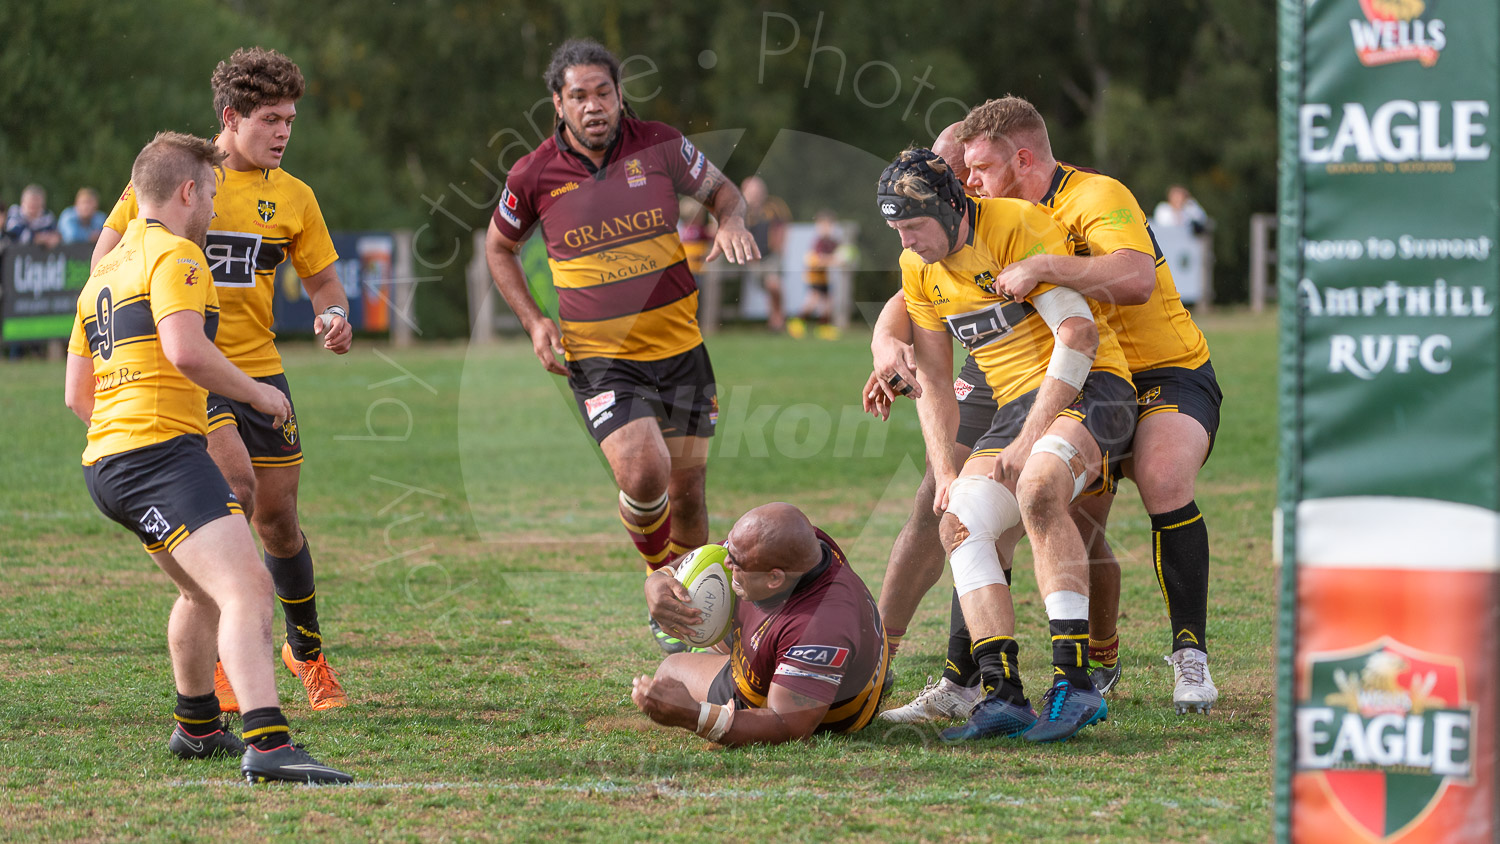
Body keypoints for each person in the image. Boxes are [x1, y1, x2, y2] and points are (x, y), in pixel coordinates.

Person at [64, 132, 350, 784]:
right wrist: (257, 395)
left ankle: (196, 726)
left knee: (200, 589)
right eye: (214, 193)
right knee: (246, 586)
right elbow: (186, 350)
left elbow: (74, 393)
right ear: (188, 191)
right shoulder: (179, 258)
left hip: (107, 462)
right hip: (160, 455)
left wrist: (128, 443)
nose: (218, 207)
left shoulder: (103, 275)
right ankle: (271, 747)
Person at [484, 39, 759, 654]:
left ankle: (694, 622)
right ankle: (657, 581)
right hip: (602, 358)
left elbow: (723, 191)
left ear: (619, 93)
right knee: (643, 470)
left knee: (688, 497)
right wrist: (533, 321)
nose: (593, 107)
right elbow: (497, 247)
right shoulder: (532, 175)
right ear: (558, 104)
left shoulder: (660, 144)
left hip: (682, 350)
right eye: (578, 96)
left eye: (602, 92)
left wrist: (732, 219)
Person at [958, 96, 1222, 714]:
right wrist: (888, 340)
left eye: (980, 168)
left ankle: (1190, 656)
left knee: (1160, 475)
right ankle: (1098, 659)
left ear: (1022, 158)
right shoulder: (998, 217)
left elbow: (1135, 280)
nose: (970, 182)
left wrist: (1044, 265)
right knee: (1073, 516)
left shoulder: (1096, 195)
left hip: (1166, 369)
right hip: (1090, 377)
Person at [878, 147, 1137, 742]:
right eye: (895, 229)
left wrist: (1027, 439)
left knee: (1040, 487)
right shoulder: (918, 269)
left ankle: (1075, 687)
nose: (907, 240)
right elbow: (937, 382)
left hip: (1092, 385)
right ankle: (1002, 695)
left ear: (951, 207)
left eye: (913, 225)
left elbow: (1080, 333)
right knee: (959, 520)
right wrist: (946, 470)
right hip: (1014, 405)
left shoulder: (1014, 225)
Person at [632, 503, 888, 744]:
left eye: (736, 562)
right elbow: (719, 553)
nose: (725, 561)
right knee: (714, 598)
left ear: (774, 578)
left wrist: (693, 714)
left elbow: (787, 724)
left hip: (814, 708)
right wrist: (658, 578)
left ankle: (758, 666)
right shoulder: (801, 547)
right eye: (731, 548)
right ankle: (722, 650)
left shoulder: (818, 626)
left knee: (670, 671)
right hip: (800, 638)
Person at [739, 175, 792, 331]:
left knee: (773, 284)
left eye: (757, 190)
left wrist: (780, 247)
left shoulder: (773, 206)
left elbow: (783, 226)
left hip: (771, 255)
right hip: (752, 258)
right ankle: (775, 321)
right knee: (769, 287)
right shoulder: (741, 211)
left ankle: (778, 319)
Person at [787, 209, 842, 341]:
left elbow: (840, 254)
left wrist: (842, 258)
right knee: (812, 301)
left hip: (824, 277)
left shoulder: (833, 241)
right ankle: (796, 324)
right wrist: (834, 260)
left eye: (830, 225)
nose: (827, 228)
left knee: (828, 303)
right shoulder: (819, 242)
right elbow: (818, 259)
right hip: (814, 276)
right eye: (824, 225)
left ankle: (823, 327)